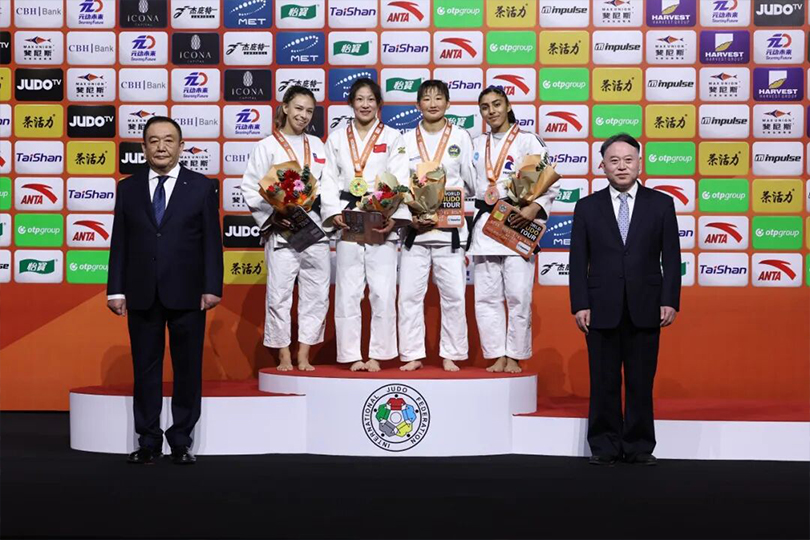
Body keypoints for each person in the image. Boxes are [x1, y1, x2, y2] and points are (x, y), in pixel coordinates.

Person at [107, 116, 223, 465]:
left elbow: (211, 242)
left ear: (181, 146)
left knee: (187, 369)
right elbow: (120, 241)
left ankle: (182, 441)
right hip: (142, 292)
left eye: (169, 140)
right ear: (144, 147)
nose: (161, 147)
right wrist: (115, 290)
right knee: (145, 369)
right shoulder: (128, 188)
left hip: (188, 293)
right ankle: (148, 441)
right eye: (154, 140)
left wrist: (212, 287)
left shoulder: (201, 187)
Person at [568, 133, 681, 466]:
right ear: (602, 166)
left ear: (639, 164)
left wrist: (670, 300)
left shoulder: (661, 204)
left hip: (646, 305)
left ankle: (639, 446)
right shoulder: (587, 207)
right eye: (614, 160)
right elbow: (578, 260)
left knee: (640, 381)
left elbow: (672, 257)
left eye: (628, 160)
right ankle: (603, 445)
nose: (621, 166)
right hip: (600, 307)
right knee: (603, 381)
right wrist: (580, 304)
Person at [320, 78, 410, 372]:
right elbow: (328, 178)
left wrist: (391, 214)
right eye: (359, 99)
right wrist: (333, 211)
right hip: (348, 219)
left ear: (379, 103)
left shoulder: (394, 137)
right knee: (348, 291)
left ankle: (378, 354)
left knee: (382, 291)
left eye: (370, 99)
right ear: (351, 103)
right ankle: (351, 355)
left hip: (379, 219)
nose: (365, 105)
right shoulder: (336, 138)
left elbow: (399, 178)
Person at [467, 87, 559, 374]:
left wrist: (535, 208)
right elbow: (468, 185)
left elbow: (549, 181)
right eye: (485, 107)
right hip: (486, 224)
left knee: (519, 295)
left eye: (497, 104)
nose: (491, 111)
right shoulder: (476, 144)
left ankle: (515, 356)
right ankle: (496, 354)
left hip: (517, 220)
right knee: (486, 296)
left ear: (507, 106)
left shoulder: (529, 140)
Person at [240, 85, 330, 372]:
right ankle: (283, 355)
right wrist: (274, 214)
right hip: (282, 230)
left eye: (309, 111)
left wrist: (327, 213)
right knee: (279, 295)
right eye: (299, 108)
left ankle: (304, 352)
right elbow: (251, 187)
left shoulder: (318, 145)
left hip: (314, 230)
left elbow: (329, 185)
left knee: (317, 294)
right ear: (286, 108)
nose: (303, 115)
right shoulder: (266, 146)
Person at [398, 80, 475, 372]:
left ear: (448, 103)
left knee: (454, 296)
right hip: (415, 232)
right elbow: (398, 185)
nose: (433, 103)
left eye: (438, 98)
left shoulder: (460, 137)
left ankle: (451, 354)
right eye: (427, 98)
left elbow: (471, 183)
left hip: (449, 231)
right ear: (418, 104)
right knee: (409, 296)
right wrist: (410, 214)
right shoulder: (406, 139)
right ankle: (412, 354)